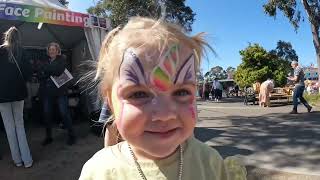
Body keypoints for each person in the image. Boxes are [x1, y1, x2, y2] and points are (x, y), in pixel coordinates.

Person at [79, 17, 246, 180]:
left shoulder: (210, 162)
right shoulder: (99, 171)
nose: (165, 114)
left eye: (181, 92)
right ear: (109, 101)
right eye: (138, 94)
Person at [0, 27, 33, 168]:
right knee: (20, 125)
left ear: (6, 36)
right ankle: (27, 160)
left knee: (9, 127)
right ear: (18, 37)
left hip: (2, 94)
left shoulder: (0, 50)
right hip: (19, 93)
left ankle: (17, 160)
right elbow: (28, 74)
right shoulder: (22, 51)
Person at [38, 42, 76, 146]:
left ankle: (71, 135)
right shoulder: (45, 61)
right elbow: (40, 73)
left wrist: (46, 70)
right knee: (47, 115)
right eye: (50, 50)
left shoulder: (62, 60)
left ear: (57, 51)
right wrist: (48, 71)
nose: (51, 51)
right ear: (48, 51)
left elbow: (58, 71)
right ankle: (48, 137)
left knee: (64, 113)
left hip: (60, 92)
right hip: (47, 92)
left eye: (54, 50)